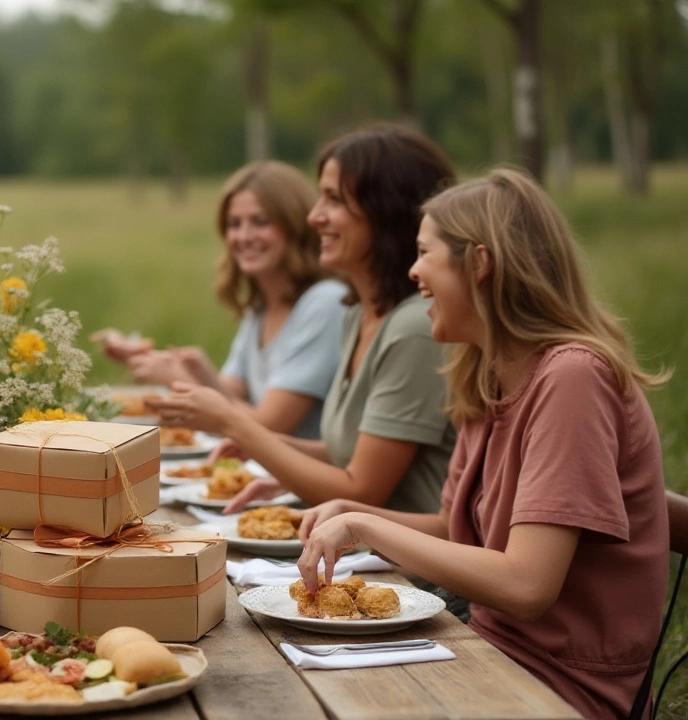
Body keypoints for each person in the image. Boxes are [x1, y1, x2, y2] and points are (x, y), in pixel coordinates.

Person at [297, 168, 669, 720]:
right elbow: (455, 528)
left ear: (480, 262)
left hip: (555, 683)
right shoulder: (487, 371)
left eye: (425, 254)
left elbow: (526, 585)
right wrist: (352, 512)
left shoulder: (572, 379)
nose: (413, 270)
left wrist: (367, 526)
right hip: (486, 645)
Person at [149, 125, 457, 516]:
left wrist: (236, 425)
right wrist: (269, 448)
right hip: (361, 549)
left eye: (333, 200)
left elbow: (362, 490)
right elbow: (350, 453)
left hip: (408, 574)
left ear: (385, 210)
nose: (315, 217)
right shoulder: (360, 316)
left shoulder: (413, 328)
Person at [95, 162, 345, 439]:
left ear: (295, 225)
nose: (244, 236)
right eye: (234, 224)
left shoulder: (325, 303)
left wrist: (175, 380)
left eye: (260, 222)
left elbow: (267, 426)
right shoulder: (261, 307)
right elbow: (234, 393)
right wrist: (153, 359)